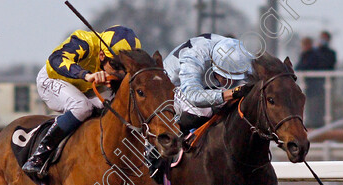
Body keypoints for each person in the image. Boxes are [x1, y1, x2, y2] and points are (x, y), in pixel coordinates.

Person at [22, 26, 141, 176]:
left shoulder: (114, 61)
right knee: (82, 107)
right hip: (53, 79)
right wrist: (86, 75)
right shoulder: (84, 41)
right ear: (102, 55)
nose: (120, 73)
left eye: (126, 68)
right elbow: (56, 59)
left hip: (85, 89)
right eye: (116, 66)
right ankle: (39, 156)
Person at [163, 33, 255, 134]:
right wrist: (229, 94)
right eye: (226, 78)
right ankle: (167, 141)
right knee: (205, 110)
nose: (231, 82)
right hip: (171, 86)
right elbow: (193, 96)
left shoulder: (237, 53)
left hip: (202, 83)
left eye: (235, 77)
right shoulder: (193, 57)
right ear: (215, 67)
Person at [295, 32, 337, 128]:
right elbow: (299, 68)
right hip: (310, 86)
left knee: (319, 106)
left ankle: (317, 124)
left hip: (318, 86)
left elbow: (317, 65)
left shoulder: (316, 54)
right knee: (310, 106)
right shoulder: (306, 55)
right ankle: (311, 123)